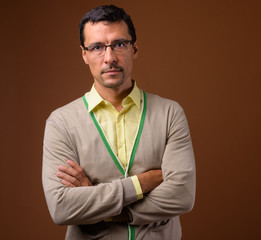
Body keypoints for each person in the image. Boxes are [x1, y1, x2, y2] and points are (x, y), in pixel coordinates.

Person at [42, 5, 196, 240]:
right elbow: (62, 207)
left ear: (134, 48)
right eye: (97, 47)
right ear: (84, 54)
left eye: (119, 44)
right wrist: (141, 184)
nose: (109, 57)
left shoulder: (169, 113)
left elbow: (182, 195)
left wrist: (96, 201)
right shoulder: (61, 122)